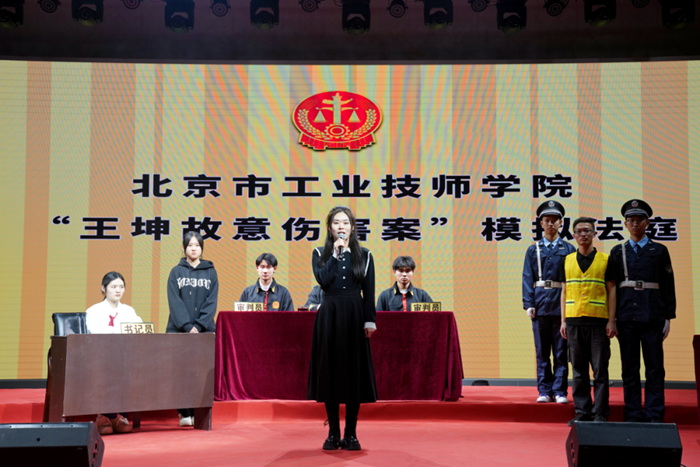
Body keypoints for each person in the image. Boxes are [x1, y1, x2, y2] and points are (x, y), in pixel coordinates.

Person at [308, 206, 377, 451]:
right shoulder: (320, 253)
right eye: (336, 223)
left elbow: (369, 291)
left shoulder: (365, 255)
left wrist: (369, 321)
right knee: (331, 373)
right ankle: (333, 432)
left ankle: (351, 433)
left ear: (352, 227)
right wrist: (336, 256)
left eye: (345, 223)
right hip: (330, 315)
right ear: (330, 228)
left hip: (355, 315)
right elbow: (323, 280)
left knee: (354, 374)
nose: (341, 227)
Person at [609, 199, 676, 423]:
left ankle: (654, 414)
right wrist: (613, 319)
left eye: (640, 220)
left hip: (653, 316)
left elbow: (668, 285)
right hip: (626, 317)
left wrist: (668, 317)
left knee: (655, 367)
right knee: (630, 368)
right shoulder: (618, 251)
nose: (635, 223)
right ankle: (633, 413)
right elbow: (612, 288)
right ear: (625, 224)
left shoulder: (659, 250)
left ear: (647, 223)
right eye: (631, 220)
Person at [559, 217, 617, 426]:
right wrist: (563, 321)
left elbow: (612, 290)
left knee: (600, 369)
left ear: (594, 234)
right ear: (574, 235)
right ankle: (582, 411)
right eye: (579, 231)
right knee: (579, 370)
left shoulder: (605, 260)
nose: (583, 234)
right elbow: (564, 291)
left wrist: (612, 320)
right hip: (574, 321)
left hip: (598, 322)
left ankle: (600, 412)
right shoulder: (566, 260)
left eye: (587, 231)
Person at [522, 200, 575, 404]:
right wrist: (529, 304)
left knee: (561, 351)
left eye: (554, 220)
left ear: (561, 223)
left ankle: (560, 391)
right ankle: (544, 390)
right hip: (540, 304)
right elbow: (527, 277)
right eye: (547, 220)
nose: (551, 223)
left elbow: (572, 280)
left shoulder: (569, 249)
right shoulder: (533, 249)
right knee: (542, 351)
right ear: (541, 223)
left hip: (561, 305)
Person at [166, 231, 219, 427]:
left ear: (202, 248)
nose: (194, 248)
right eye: (190, 245)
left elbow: (211, 302)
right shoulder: (176, 272)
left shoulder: (211, 272)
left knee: (200, 373)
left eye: (197, 245)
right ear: (184, 248)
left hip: (203, 330)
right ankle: (184, 412)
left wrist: (198, 325)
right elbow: (174, 301)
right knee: (180, 371)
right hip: (179, 329)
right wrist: (187, 326)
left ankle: (200, 413)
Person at [86, 271, 143, 435]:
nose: (118, 290)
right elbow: (94, 335)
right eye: (113, 287)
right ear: (103, 288)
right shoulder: (93, 311)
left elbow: (139, 329)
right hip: (101, 357)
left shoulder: (129, 311)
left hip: (124, 357)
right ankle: (104, 415)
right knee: (109, 367)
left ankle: (120, 415)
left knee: (128, 366)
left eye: (121, 287)